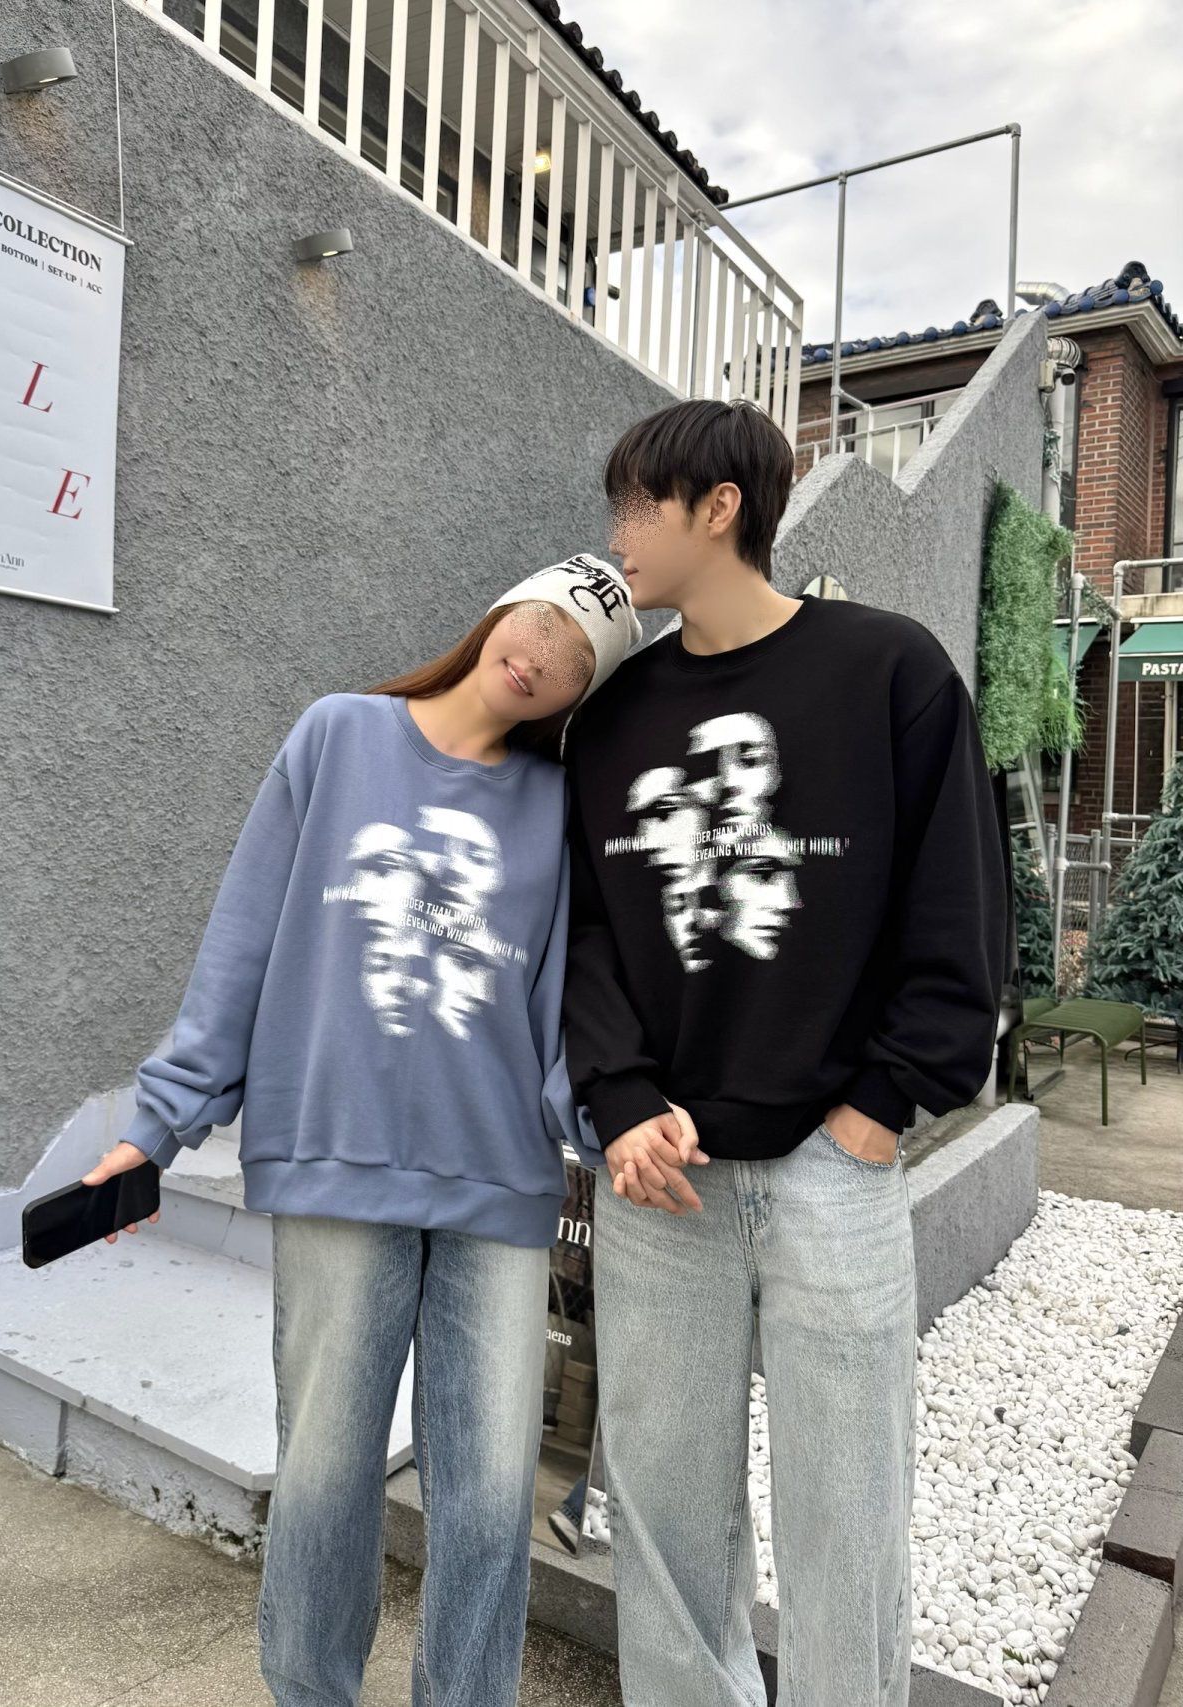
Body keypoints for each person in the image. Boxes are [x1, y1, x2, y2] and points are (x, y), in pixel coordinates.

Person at [80, 554, 642, 1707]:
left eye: (574, 662)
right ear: (498, 612)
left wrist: (616, 1125)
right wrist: (160, 1124)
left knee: (489, 1497)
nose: (540, 659)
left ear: (578, 698)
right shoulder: (336, 736)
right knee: (328, 1476)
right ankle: (310, 1690)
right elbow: (241, 944)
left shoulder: (555, 808)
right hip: (336, 1159)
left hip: (495, 1182)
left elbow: (564, 1009)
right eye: (539, 624)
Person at [557, 398, 1010, 1707]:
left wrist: (879, 1106)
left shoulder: (889, 671)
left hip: (831, 1166)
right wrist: (617, 1098)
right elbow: (588, 931)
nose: (616, 532)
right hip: (662, 1175)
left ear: (718, 508)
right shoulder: (614, 716)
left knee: (847, 1515)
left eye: (637, 503)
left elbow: (956, 906)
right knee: (663, 1514)